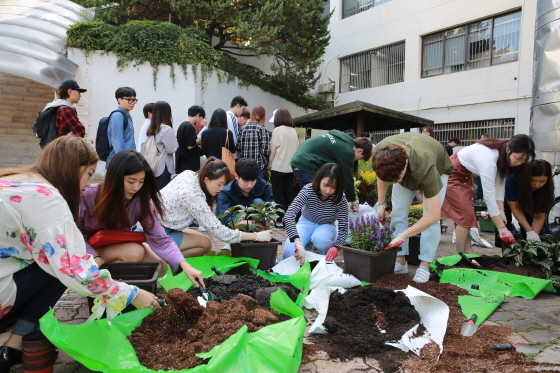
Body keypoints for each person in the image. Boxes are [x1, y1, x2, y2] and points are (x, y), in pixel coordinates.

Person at [0, 137, 165, 371]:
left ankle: (14, 347)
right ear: (72, 169)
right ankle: (17, 342)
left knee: (50, 261)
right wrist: (131, 294)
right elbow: (76, 270)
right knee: (57, 267)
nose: (88, 183)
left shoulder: (16, 181)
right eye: (89, 173)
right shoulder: (46, 199)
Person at [78, 149, 202, 281]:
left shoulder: (140, 202)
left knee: (160, 267)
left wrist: (185, 265)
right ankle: (102, 283)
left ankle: (115, 279)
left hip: (118, 244)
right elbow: (75, 235)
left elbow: (160, 238)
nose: (136, 187)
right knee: (134, 252)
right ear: (114, 179)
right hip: (87, 248)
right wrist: (94, 256)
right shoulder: (87, 196)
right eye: (131, 182)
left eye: (141, 182)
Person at [372, 133, 453, 283]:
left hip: (437, 167)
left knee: (430, 217)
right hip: (407, 162)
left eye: (397, 178)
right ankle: (400, 260)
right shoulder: (379, 152)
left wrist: (403, 236)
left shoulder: (425, 167)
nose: (395, 182)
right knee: (397, 214)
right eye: (392, 180)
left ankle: (424, 265)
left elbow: (433, 215)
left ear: (406, 164)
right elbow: (382, 175)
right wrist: (381, 204)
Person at [158, 158, 273, 257]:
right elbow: (220, 231)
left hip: (161, 223)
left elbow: (272, 206)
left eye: (224, 184)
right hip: (157, 231)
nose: (221, 188)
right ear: (206, 179)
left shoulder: (190, 174)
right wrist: (256, 236)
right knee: (205, 245)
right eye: (219, 184)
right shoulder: (194, 197)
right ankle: (163, 258)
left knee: (201, 237)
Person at [441, 134, 535, 254]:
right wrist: (502, 229)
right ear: (509, 150)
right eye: (518, 158)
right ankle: (461, 256)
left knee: (464, 216)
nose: (519, 163)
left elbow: (500, 183)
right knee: (465, 216)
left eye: (523, 161)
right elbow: (489, 197)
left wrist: (501, 210)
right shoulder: (489, 159)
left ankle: (468, 251)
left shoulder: (502, 155)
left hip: (465, 175)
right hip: (453, 173)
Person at [290, 130, 372, 212]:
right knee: (314, 200)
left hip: (302, 158)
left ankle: (301, 220)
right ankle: (306, 222)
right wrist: (352, 199)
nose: (357, 159)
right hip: (306, 162)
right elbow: (347, 176)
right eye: (361, 157)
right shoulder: (346, 150)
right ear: (360, 151)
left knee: (310, 198)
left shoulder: (344, 142)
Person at [282, 163, 348, 263]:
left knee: (321, 240)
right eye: (325, 185)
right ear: (319, 179)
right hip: (305, 222)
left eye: (333, 187)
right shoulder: (308, 190)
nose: (328, 190)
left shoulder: (340, 198)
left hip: (326, 225)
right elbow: (289, 215)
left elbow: (343, 225)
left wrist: (336, 246)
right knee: (289, 253)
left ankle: (324, 259)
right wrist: (297, 241)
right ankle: (307, 248)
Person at [504, 160, 555, 241]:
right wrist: (530, 231)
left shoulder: (546, 188)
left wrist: (533, 235)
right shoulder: (513, 180)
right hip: (511, 202)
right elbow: (516, 208)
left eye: (542, 181)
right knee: (506, 227)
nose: (537, 184)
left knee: (529, 230)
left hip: (530, 201)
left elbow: (539, 213)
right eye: (533, 180)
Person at [216, 158, 275, 224]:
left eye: (253, 180)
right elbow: (225, 218)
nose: (249, 185)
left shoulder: (263, 185)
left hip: (258, 224)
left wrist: (271, 220)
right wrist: (249, 223)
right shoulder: (226, 191)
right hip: (235, 226)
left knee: (258, 201)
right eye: (245, 181)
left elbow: (272, 207)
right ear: (236, 176)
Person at [269, 108, 299, 227]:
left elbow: (273, 150)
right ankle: (290, 220)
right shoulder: (293, 131)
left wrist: (269, 163)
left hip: (278, 167)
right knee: (288, 194)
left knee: (278, 195)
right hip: (290, 168)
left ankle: (279, 220)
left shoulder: (277, 130)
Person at [145, 101, 178, 190]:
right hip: (164, 166)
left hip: (153, 164)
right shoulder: (166, 129)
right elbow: (171, 149)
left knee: (155, 193)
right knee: (163, 194)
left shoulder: (152, 128)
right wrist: (176, 141)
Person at [236, 105, 271, 180]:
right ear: (263, 116)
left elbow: (238, 147)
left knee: (245, 189)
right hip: (259, 165)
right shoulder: (263, 129)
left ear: (251, 115)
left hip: (244, 165)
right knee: (258, 189)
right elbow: (266, 150)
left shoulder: (242, 129)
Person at [106, 87, 137, 168]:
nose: (132, 102)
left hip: (127, 159)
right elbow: (117, 142)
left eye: (134, 100)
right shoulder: (118, 116)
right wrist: (123, 162)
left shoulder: (126, 115)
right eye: (129, 99)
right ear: (120, 100)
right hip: (120, 162)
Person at [176, 105, 206, 174]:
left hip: (182, 162)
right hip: (189, 164)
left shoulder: (182, 126)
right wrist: (201, 138)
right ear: (197, 115)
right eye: (201, 119)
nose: (200, 122)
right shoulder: (189, 127)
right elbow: (190, 145)